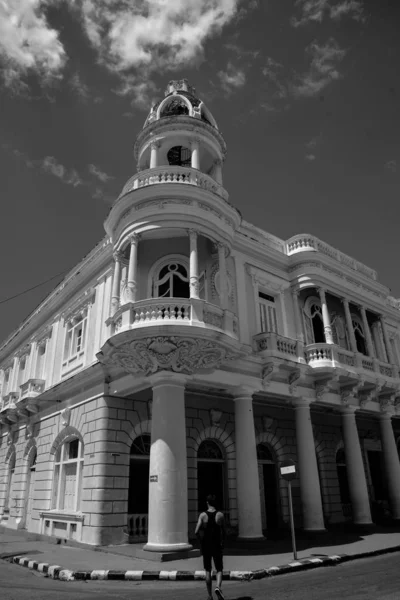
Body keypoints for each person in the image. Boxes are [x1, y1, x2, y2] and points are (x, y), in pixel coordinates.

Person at [195, 494, 226, 600]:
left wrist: (201, 541)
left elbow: (196, 531)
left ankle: (209, 595)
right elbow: (224, 531)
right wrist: (223, 542)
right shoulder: (220, 515)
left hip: (206, 545)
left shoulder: (203, 515)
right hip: (217, 544)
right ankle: (218, 587)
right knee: (219, 569)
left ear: (207, 503)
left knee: (208, 570)